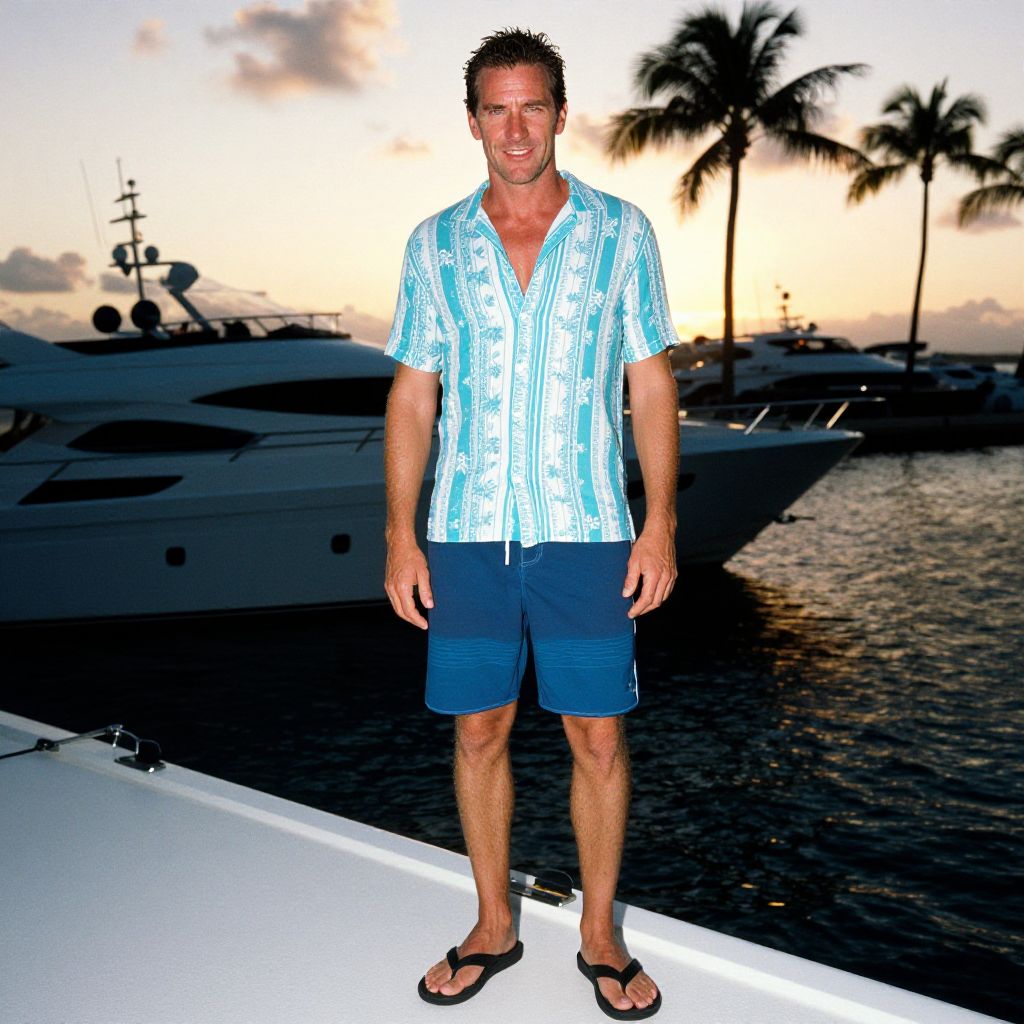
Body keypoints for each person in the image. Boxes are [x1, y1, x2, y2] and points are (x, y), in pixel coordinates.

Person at [383, 28, 679, 1019]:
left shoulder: (620, 232)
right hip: (465, 531)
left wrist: (659, 523)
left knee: (597, 736)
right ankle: (492, 924)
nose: (516, 129)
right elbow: (413, 395)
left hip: (588, 528)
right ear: (473, 121)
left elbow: (650, 383)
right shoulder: (433, 243)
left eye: (533, 106)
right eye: (496, 109)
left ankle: (600, 936)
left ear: (560, 112)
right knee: (478, 730)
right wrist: (399, 533)